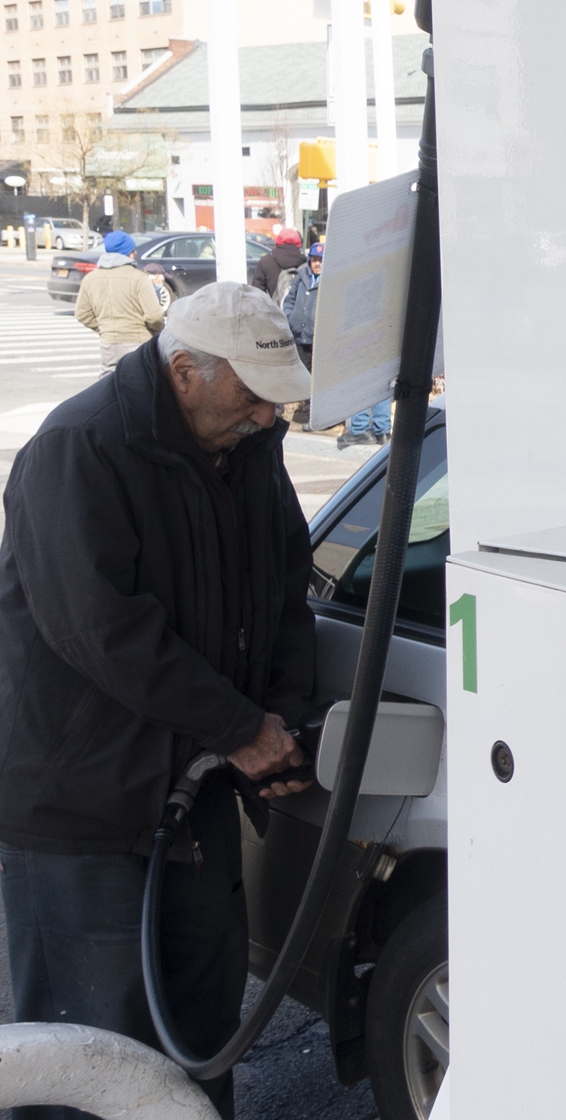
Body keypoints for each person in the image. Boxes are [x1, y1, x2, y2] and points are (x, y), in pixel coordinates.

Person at [0, 282, 317, 1120]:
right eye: (249, 394)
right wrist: (241, 726)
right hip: (84, 807)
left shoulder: (249, 447)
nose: (265, 415)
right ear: (183, 371)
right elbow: (100, 629)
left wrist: (278, 725)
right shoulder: (80, 446)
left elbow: (284, 592)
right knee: (87, 1052)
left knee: (194, 1040)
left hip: (194, 792)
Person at [72, 229, 164, 378]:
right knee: (140, 386)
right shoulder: (139, 278)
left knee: (108, 389)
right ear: (130, 253)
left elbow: (82, 313)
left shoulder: (91, 279)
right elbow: (154, 316)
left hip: (108, 343)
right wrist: (158, 331)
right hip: (138, 342)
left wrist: (103, 328)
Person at [281, 242, 322, 428]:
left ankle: (315, 417)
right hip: (300, 335)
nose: (317, 264)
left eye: (321, 260)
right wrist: (291, 318)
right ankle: (306, 411)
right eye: (314, 259)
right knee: (304, 375)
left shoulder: (329, 279)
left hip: (318, 338)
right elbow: (289, 299)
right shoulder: (301, 276)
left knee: (318, 378)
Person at [248, 227, 307, 300]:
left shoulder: (266, 261)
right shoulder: (305, 262)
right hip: (299, 309)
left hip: (276, 309)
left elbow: (256, 292)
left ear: (278, 241)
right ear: (298, 242)